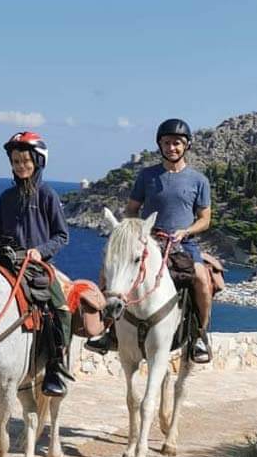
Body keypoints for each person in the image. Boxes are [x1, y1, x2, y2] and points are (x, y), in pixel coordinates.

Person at [88, 118, 213, 363]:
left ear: (186, 145)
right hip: (149, 242)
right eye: (166, 143)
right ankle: (108, 330)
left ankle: (199, 335)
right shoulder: (147, 176)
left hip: (183, 244)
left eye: (177, 143)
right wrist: (137, 232)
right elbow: (132, 210)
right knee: (109, 275)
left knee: (203, 281)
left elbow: (205, 219)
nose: (171, 148)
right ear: (160, 145)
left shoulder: (199, 180)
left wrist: (186, 231)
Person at [0, 131, 72, 396]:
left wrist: (41, 252)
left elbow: (62, 235)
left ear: (38, 162)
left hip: (36, 267)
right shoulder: (7, 197)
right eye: (16, 161)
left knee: (60, 308)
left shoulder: (47, 195)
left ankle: (54, 367)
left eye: (25, 161)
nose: (20, 166)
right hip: (6, 260)